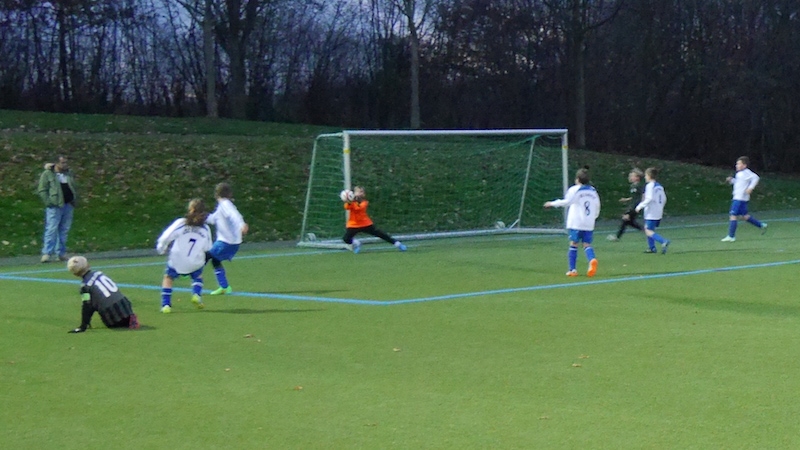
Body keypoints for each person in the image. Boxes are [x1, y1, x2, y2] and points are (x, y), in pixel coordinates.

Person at [156, 199, 213, 313]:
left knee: (168, 278)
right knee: (198, 275)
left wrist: (161, 248)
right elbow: (208, 247)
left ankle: (166, 305)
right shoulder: (205, 228)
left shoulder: (181, 223)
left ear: (190, 209)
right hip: (195, 261)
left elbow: (166, 237)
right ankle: (196, 294)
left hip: (177, 259)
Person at [544, 167, 600, 277]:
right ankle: (592, 259)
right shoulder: (593, 191)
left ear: (577, 179)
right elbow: (597, 205)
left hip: (576, 222)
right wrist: (594, 216)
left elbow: (567, 202)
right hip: (589, 222)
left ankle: (572, 270)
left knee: (573, 244)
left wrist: (552, 203)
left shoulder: (574, 190)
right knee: (587, 244)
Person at [66, 256, 139, 333]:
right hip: (125, 305)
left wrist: (83, 326)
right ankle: (129, 317)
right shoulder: (99, 273)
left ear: (75, 274)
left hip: (112, 315)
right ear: (88, 265)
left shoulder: (85, 286)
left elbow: (87, 306)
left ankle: (124, 321)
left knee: (91, 303)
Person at [205, 182, 248, 295]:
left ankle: (187, 273)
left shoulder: (225, 204)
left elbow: (234, 215)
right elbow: (214, 219)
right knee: (215, 260)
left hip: (226, 241)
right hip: (232, 242)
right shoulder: (222, 206)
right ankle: (224, 286)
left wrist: (241, 224)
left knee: (206, 256)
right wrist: (202, 217)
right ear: (229, 194)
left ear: (216, 194)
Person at [341, 186, 407, 254]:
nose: (360, 193)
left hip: (365, 224)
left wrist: (351, 202)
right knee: (346, 239)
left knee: (381, 234)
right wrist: (349, 202)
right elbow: (346, 207)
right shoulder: (351, 202)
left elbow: (358, 208)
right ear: (354, 193)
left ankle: (398, 244)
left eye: (362, 192)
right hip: (353, 224)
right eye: (358, 191)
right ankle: (357, 243)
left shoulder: (364, 202)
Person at [37, 156, 77, 263]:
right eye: (63, 163)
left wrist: (74, 199)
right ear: (56, 163)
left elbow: (72, 187)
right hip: (55, 206)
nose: (65, 165)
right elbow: (42, 189)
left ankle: (61, 253)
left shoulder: (68, 174)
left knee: (64, 230)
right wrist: (48, 202)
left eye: (66, 162)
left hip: (68, 205)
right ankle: (47, 253)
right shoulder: (48, 174)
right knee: (51, 229)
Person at [721, 156, 767, 242]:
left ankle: (731, 236)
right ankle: (761, 225)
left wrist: (751, 188)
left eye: (739, 164)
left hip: (739, 198)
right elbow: (739, 183)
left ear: (744, 165)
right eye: (737, 164)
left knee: (733, 215)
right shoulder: (739, 174)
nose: (737, 165)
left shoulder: (746, 172)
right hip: (740, 198)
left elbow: (756, 177)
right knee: (745, 216)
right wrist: (732, 180)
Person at [635, 167, 670, 254]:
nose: (645, 177)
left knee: (647, 230)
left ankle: (663, 241)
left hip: (651, 211)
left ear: (649, 176)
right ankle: (652, 248)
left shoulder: (650, 185)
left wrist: (639, 206)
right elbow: (664, 198)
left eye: (646, 175)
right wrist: (660, 207)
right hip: (658, 211)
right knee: (650, 229)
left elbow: (649, 198)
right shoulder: (659, 186)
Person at [607, 168, 644, 241]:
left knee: (625, 219)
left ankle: (617, 237)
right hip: (632, 207)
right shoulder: (633, 186)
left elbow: (640, 197)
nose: (630, 177)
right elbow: (634, 197)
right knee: (629, 222)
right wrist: (626, 199)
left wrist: (638, 207)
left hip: (635, 207)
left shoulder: (639, 186)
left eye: (632, 176)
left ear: (637, 178)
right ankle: (645, 230)